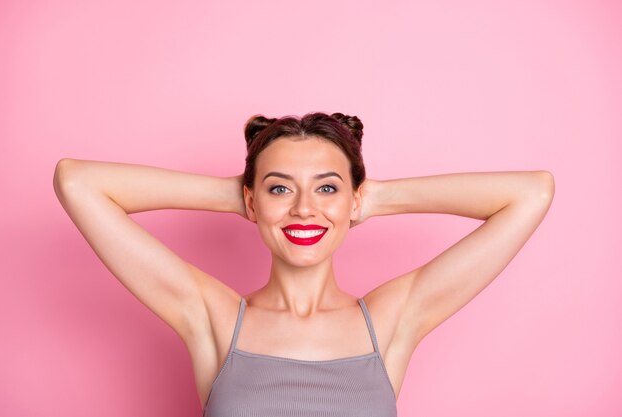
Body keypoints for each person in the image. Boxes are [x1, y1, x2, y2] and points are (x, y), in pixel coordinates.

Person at [53, 112, 555, 416]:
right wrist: (244, 196)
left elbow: (531, 193)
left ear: (352, 200)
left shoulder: (390, 319)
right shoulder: (214, 316)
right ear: (253, 201)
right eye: (280, 188)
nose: (303, 209)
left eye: (326, 188)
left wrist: (370, 198)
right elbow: (77, 182)